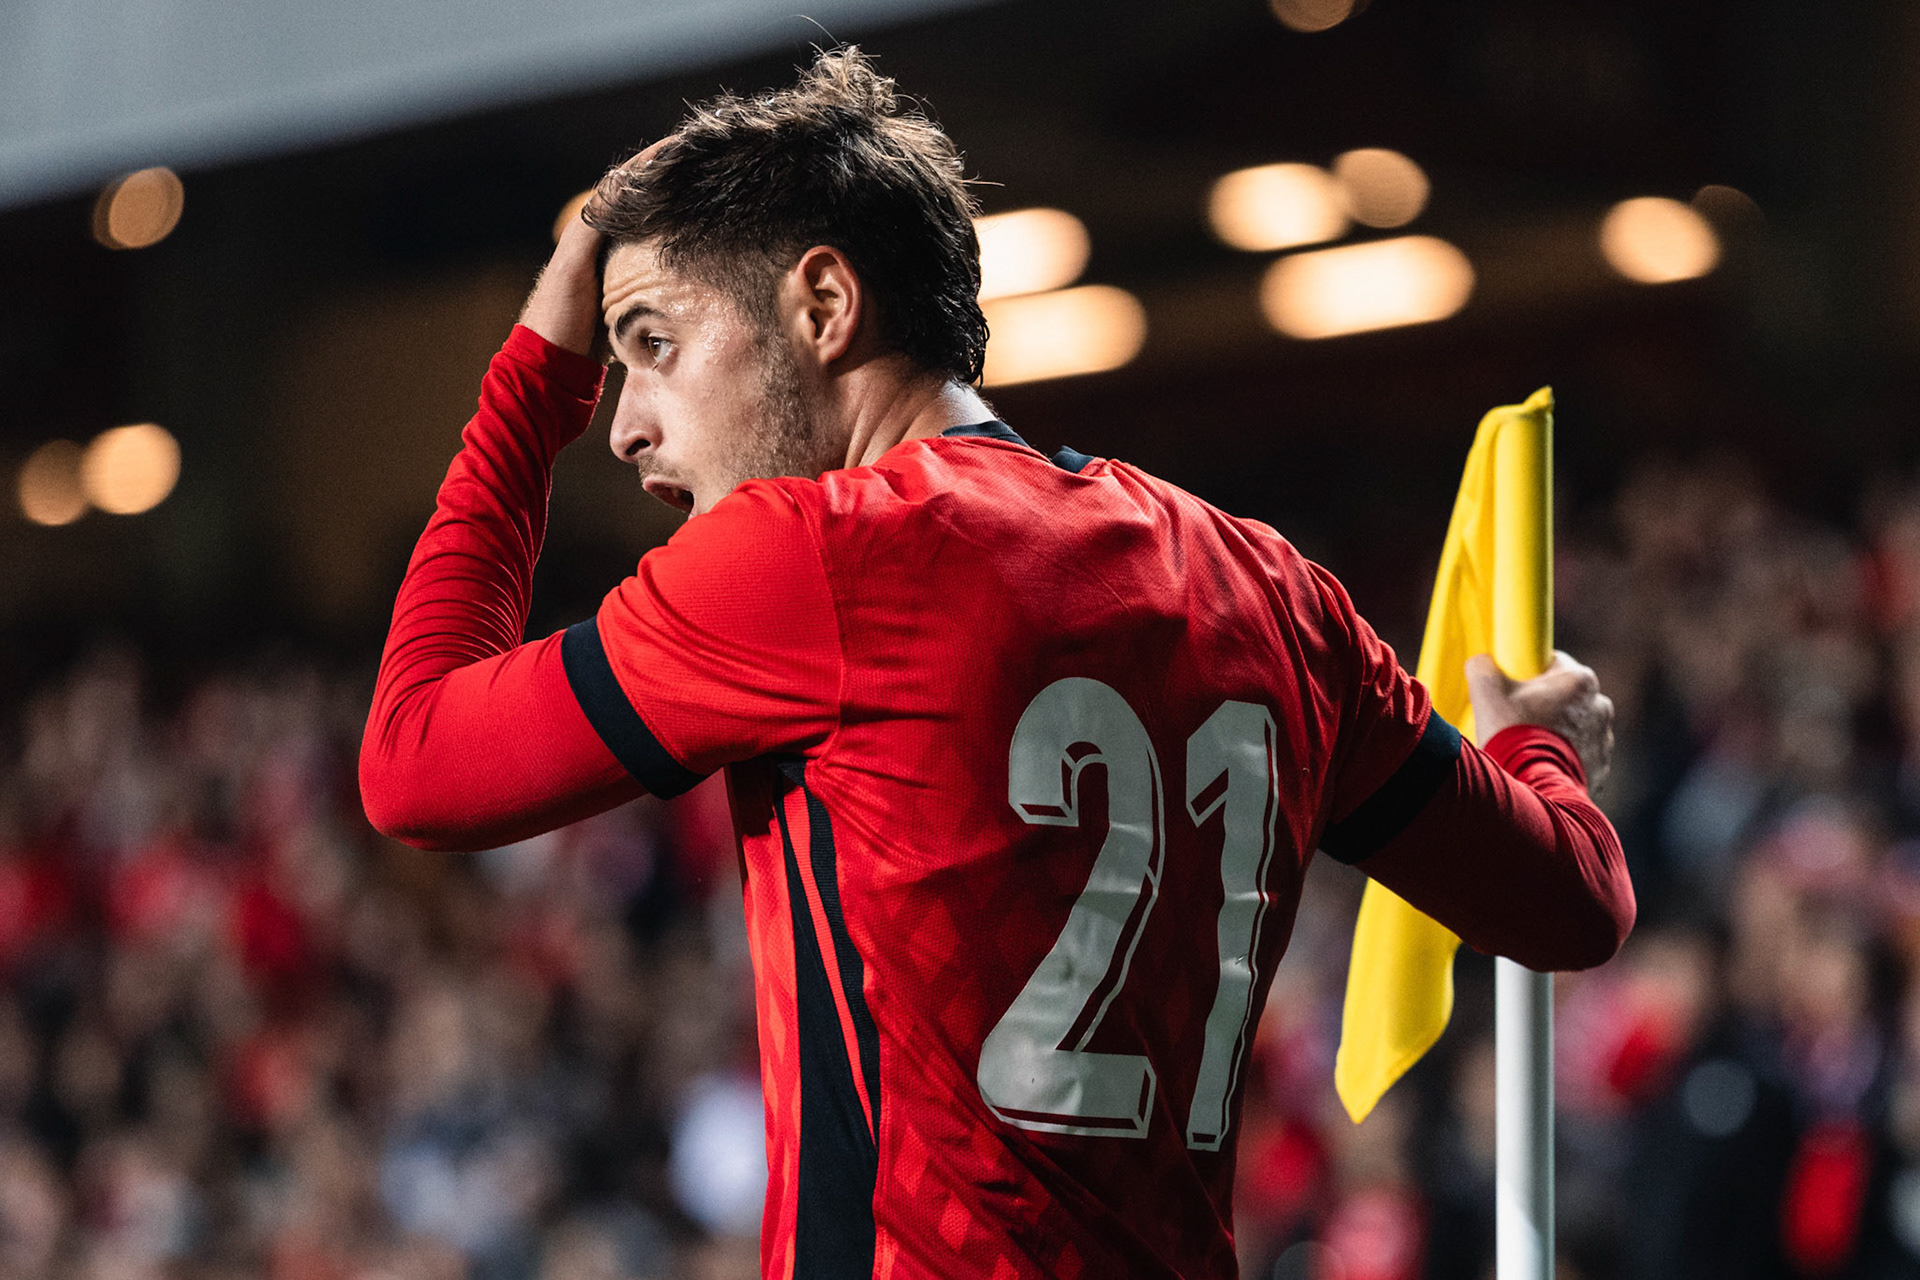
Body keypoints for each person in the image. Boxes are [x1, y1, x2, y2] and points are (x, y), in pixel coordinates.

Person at [358, 47, 1634, 1280]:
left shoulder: (811, 557)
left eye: (652, 343)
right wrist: (1535, 746)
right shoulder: (1276, 590)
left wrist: (534, 382)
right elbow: (1574, 900)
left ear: (822, 306)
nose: (625, 423)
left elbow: (411, 763)